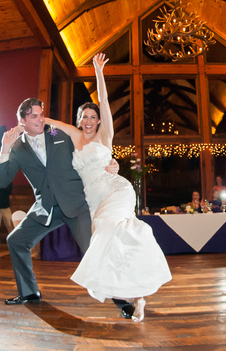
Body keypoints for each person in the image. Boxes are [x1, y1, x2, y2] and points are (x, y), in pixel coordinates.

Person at [46, 53, 172, 322]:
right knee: (111, 242)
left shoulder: (105, 136)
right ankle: (136, 295)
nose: (89, 120)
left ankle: (137, 289)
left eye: (93, 116)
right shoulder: (74, 136)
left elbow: (104, 100)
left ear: (99, 120)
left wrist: (98, 71)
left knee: (110, 230)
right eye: (85, 116)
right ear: (79, 119)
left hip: (115, 190)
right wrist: (32, 120)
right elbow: (52, 124)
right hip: (94, 200)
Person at [0, 99, 135, 319]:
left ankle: (122, 300)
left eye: (41, 114)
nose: (40, 119)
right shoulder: (17, 147)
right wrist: (4, 148)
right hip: (45, 208)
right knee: (16, 240)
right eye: (33, 116)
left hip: (75, 204)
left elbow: (88, 149)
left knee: (94, 250)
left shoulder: (56, 133)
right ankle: (29, 293)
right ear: (22, 120)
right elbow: (2, 181)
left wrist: (111, 162)